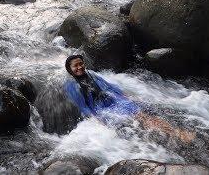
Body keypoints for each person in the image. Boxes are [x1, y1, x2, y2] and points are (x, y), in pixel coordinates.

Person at [63, 55, 195, 143]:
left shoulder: (91, 74)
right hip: (101, 109)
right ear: (70, 69)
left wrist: (125, 95)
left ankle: (176, 133)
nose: (79, 67)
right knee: (138, 117)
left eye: (81, 63)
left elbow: (109, 86)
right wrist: (97, 120)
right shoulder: (71, 86)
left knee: (141, 115)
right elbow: (83, 107)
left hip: (112, 100)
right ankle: (176, 134)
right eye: (75, 66)